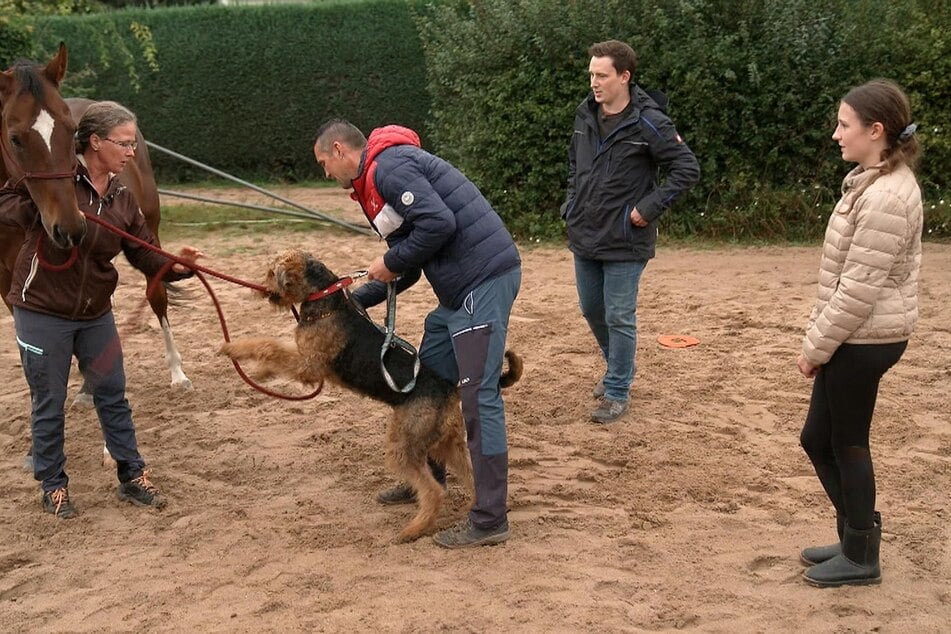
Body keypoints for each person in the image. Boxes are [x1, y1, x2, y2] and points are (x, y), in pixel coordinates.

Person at [313, 119, 521, 548]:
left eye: (322, 164)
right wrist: (360, 299)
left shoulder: (389, 169)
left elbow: (438, 225)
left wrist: (389, 263)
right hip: (457, 291)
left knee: (479, 398)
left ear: (338, 150)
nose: (325, 174)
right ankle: (429, 477)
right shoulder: (377, 179)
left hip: (481, 282)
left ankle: (490, 518)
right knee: (426, 383)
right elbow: (414, 254)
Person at [0, 101, 202, 518]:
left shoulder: (123, 200)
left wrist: (176, 268)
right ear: (95, 142)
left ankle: (132, 475)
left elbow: (146, 256)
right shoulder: (55, 182)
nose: (132, 152)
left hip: (95, 312)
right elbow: (5, 203)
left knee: (112, 394)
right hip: (42, 311)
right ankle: (54, 486)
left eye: (132, 144)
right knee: (49, 400)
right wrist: (35, 210)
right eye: (124, 143)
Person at [797, 80, 923, 587]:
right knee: (817, 439)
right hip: (855, 334)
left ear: (876, 130)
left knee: (847, 443)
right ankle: (854, 534)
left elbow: (858, 290)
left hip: (865, 339)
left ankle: (862, 555)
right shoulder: (872, 181)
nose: (835, 134)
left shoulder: (888, 196)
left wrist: (815, 347)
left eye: (844, 124)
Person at [561, 40, 700, 424]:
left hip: (626, 238)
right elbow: (575, 164)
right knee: (592, 308)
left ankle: (618, 389)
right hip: (585, 233)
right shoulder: (584, 114)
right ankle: (616, 369)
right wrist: (570, 204)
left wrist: (647, 208)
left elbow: (686, 169)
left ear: (625, 76)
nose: (594, 82)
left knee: (619, 315)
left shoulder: (649, 120)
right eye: (591, 74)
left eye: (602, 75)